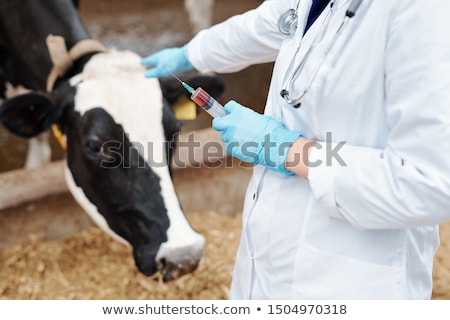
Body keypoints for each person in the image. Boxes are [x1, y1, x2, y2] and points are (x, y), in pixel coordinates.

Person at [141, 0, 450, 299]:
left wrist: (288, 150)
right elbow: (266, 22)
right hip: (264, 265)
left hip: (349, 282)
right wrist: (191, 54)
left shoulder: (423, 12)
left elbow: (429, 184)